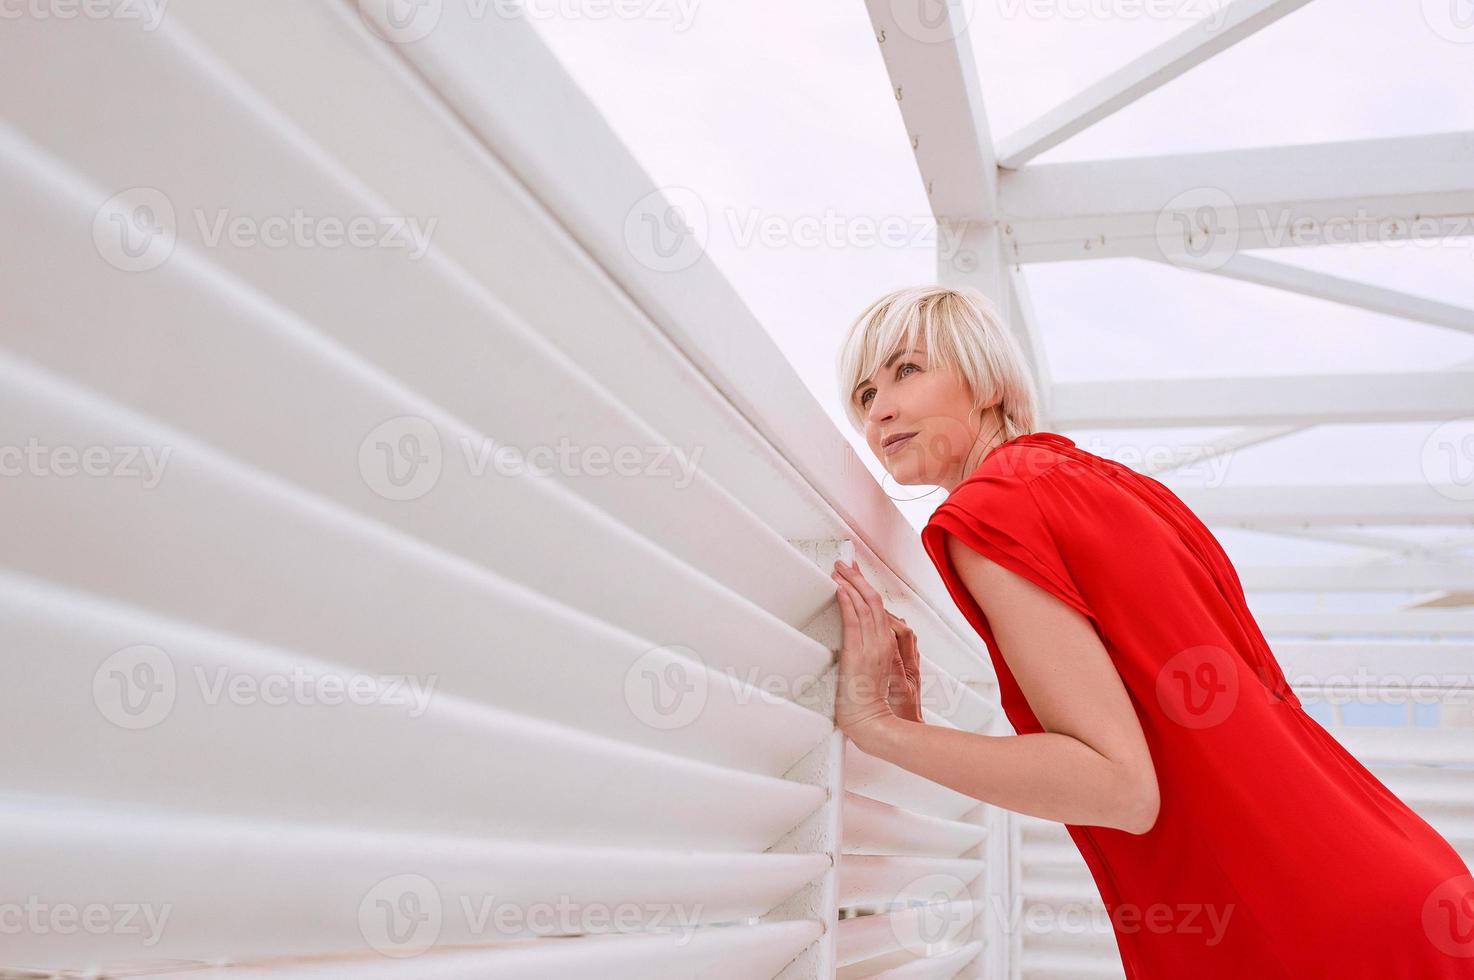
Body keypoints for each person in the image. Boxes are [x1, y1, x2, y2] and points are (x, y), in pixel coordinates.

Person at [828, 283, 1474, 977]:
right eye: (864, 395)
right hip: (1392, 874)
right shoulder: (1114, 485)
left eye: (907, 370)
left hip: (1298, 924)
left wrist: (880, 728)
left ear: (983, 378)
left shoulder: (988, 515)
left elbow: (1119, 789)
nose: (881, 410)